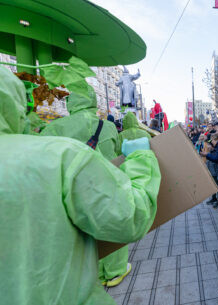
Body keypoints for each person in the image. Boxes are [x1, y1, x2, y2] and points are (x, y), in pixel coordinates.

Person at [0, 66, 161, 304]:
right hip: (99, 186)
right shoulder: (68, 149)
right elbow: (128, 217)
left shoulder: (53, 130)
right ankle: (115, 271)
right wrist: (141, 160)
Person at [41, 83, 134, 287]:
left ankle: (91, 272)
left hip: (74, 189)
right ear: (92, 100)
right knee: (113, 224)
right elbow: (118, 153)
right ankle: (114, 271)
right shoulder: (108, 126)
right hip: (109, 185)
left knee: (83, 230)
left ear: (70, 102)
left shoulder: (54, 128)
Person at [201, 132, 218, 209]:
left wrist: (207, 154)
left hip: (217, 169)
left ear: (215, 139)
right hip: (215, 168)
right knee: (216, 184)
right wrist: (212, 150)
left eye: (211, 140)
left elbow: (216, 158)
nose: (211, 142)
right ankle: (215, 199)